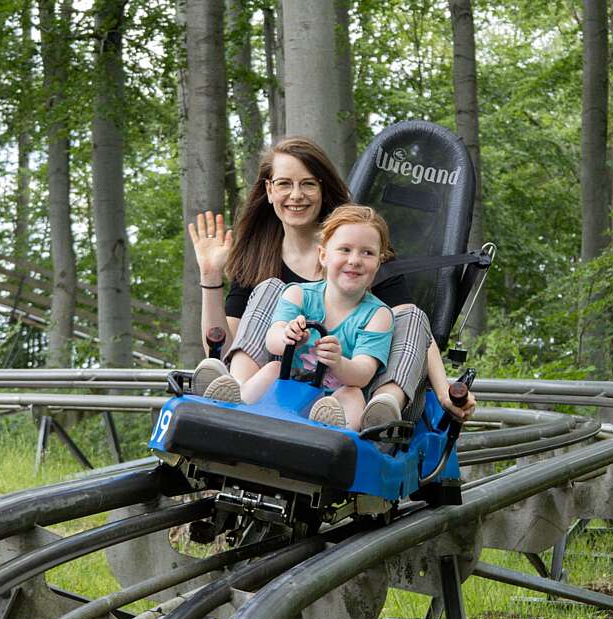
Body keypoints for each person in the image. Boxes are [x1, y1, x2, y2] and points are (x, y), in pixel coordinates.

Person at [188, 136, 475, 427]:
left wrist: (444, 392)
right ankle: (236, 393)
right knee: (270, 288)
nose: (296, 195)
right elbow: (225, 349)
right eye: (284, 184)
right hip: (277, 385)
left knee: (411, 314)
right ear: (269, 190)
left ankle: (381, 412)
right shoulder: (258, 258)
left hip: (357, 393)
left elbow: (413, 332)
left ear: (323, 189)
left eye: (308, 184)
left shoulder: (361, 257)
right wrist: (210, 276)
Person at [211, 205, 394, 431]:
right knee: (272, 368)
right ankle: (234, 403)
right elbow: (272, 338)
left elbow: (363, 373)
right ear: (323, 255)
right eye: (345, 249)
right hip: (289, 388)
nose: (355, 260)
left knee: (352, 393)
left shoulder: (378, 315)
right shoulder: (298, 294)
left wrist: (338, 363)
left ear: (378, 263)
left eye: (367, 253)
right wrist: (288, 336)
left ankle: (332, 428)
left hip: (333, 399)